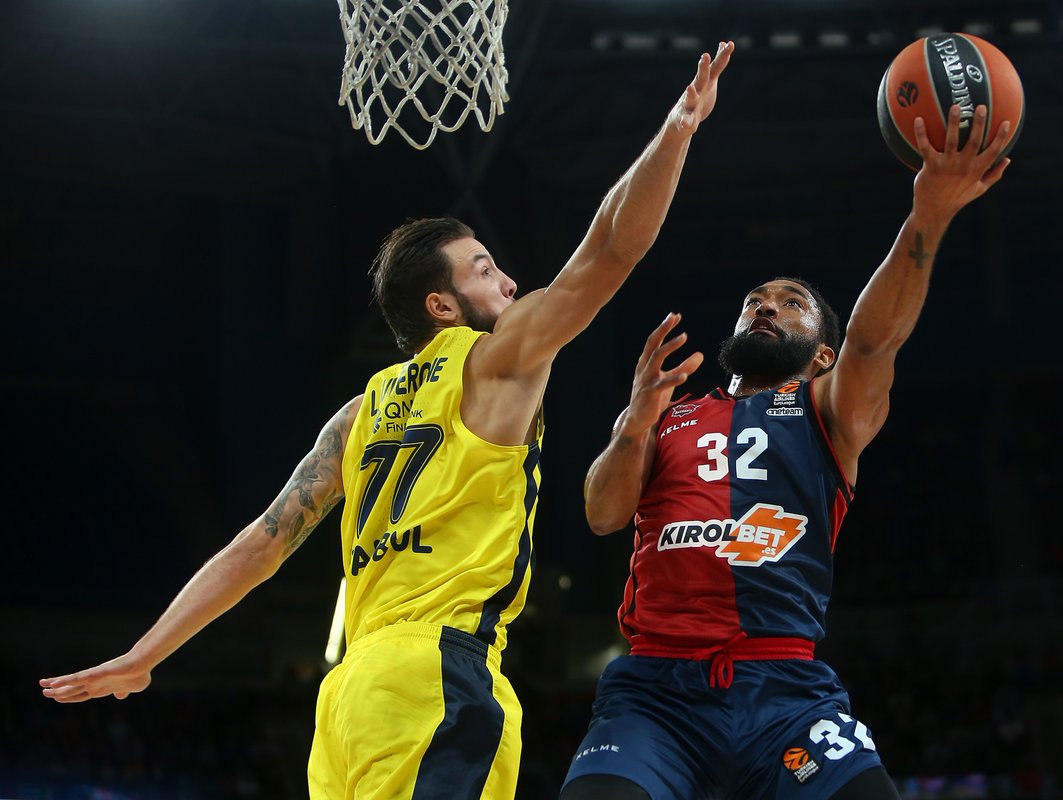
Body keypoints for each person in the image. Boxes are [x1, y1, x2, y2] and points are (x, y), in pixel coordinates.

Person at [39, 41, 735, 800]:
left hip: (348, 700)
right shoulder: (495, 361)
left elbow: (260, 545)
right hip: (437, 675)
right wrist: (676, 131)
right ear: (442, 307)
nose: (506, 278)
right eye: (481, 269)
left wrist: (148, 653)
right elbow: (608, 250)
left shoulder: (356, 413)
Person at [560, 104, 1013, 800]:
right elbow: (601, 513)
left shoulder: (828, 409)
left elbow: (875, 341)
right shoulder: (670, 414)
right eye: (754, 301)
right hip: (656, 693)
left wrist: (928, 215)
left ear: (822, 353)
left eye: (790, 302)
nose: (766, 307)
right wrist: (633, 422)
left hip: (785, 694)